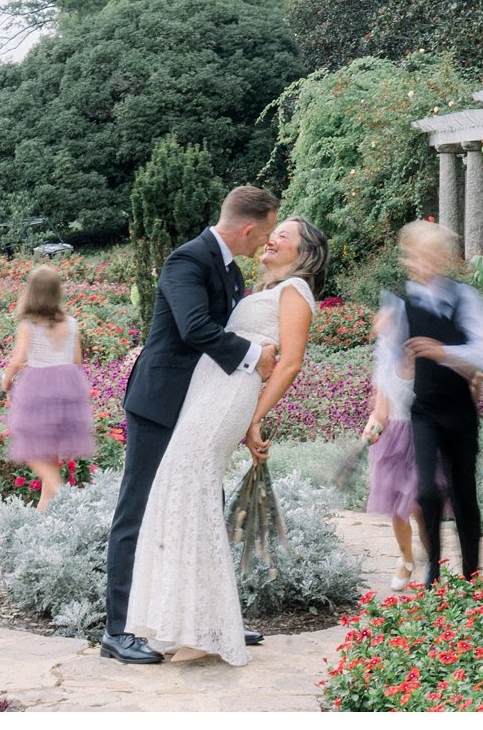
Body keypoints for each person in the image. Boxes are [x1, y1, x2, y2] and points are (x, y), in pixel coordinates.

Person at [124, 216, 330, 665]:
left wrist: (253, 419)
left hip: (228, 400)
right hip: (209, 393)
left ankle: (202, 626)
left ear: (305, 252)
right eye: (275, 231)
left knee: (187, 486)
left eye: (285, 234)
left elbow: (291, 364)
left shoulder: (295, 292)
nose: (273, 238)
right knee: (184, 492)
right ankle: (194, 618)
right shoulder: (265, 288)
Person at [102, 186, 281, 665]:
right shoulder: (188, 260)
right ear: (247, 228)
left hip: (201, 409)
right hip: (161, 403)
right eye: (264, 234)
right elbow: (194, 328)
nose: (265, 244)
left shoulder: (229, 269)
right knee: (136, 512)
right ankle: (117, 631)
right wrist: (255, 358)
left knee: (202, 507)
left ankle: (209, 621)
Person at [395, 220, 483, 588]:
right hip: (423, 409)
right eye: (416, 255)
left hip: (460, 409)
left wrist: (444, 352)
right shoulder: (402, 304)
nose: (423, 262)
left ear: (444, 259)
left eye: (431, 255)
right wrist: (400, 366)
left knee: (462, 490)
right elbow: (392, 365)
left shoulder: (465, 298)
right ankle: (433, 572)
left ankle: (472, 574)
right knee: (426, 491)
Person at [0, 265, 96, 511]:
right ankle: (44, 518)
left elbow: (19, 358)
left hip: (38, 388)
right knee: (49, 457)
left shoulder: (28, 324)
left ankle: (64, 493)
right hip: (68, 387)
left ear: (31, 292)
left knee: (31, 447)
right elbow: (77, 360)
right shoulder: (72, 323)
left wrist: (7, 380)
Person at [360, 291, 429, 591]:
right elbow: (381, 410)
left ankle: (433, 561)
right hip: (394, 439)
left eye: (384, 316)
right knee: (398, 510)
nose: (378, 321)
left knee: (421, 506)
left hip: (424, 437)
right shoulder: (385, 360)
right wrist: (371, 428)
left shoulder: (425, 358)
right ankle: (407, 560)